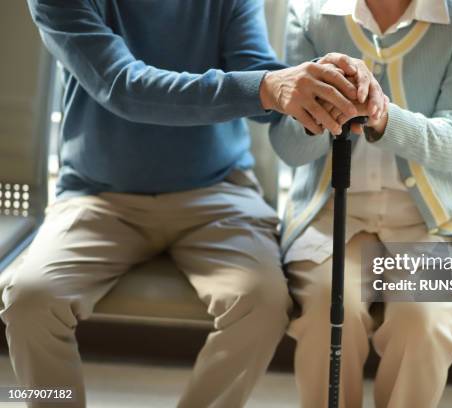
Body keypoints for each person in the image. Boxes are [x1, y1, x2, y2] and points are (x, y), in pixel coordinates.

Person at [0, 1, 385, 407]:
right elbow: (123, 86)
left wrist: (324, 91)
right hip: (97, 196)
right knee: (28, 301)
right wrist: (269, 88)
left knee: (263, 303)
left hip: (218, 192)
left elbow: (261, 76)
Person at [270, 0, 452, 407]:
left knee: (421, 321)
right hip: (333, 215)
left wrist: (382, 117)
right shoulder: (309, 13)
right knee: (328, 310)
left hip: (442, 224)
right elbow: (288, 149)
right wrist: (317, 108)